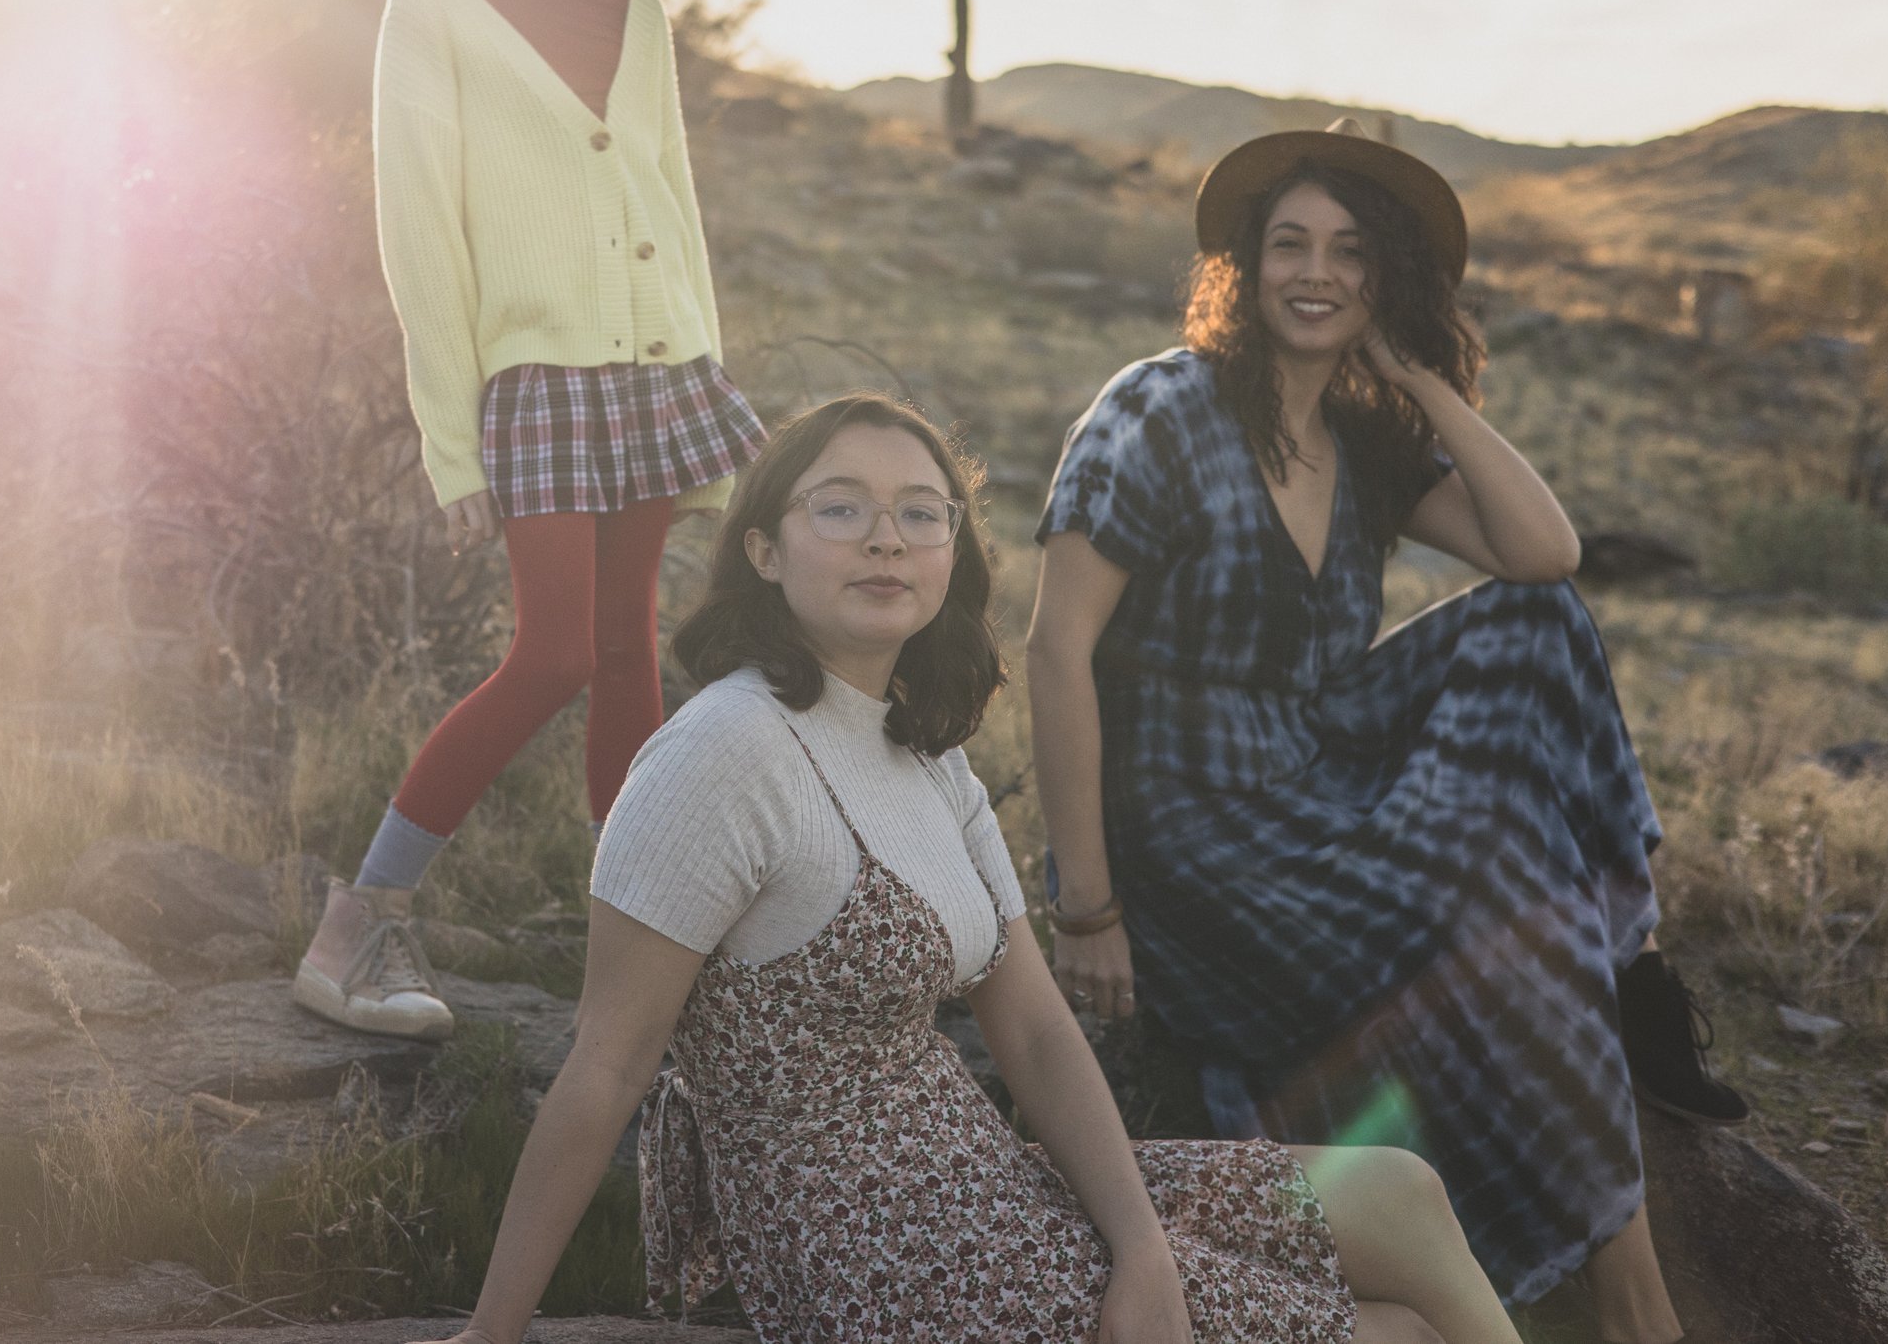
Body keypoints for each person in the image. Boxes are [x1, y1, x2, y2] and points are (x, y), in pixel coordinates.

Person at [411, 394, 1525, 1344]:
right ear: (764, 546)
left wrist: (1142, 1247)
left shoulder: (923, 754)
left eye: (918, 513)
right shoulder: (721, 753)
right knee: (1397, 1336)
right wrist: (492, 1331)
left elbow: (1036, 1029)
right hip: (876, 1255)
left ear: (952, 549)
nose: (885, 539)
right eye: (840, 508)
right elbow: (605, 1063)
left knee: (1396, 1188)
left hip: (991, 1183)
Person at [1026, 121, 1746, 1344]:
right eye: (1289, 243)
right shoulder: (1156, 405)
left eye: (1351, 252)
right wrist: (1087, 903)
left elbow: (1543, 550)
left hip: (1320, 767)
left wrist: (1417, 376)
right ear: (1244, 267)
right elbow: (1054, 649)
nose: (1316, 272)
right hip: (1197, 820)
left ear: (1385, 277)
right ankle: (1639, 1311)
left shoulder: (1364, 435)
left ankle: (1629, 971)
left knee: (1534, 624)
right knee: (1503, 893)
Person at [296, 0, 764, 1040]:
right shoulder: (430, 4)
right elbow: (419, 228)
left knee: (629, 661)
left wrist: (701, 377)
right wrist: (456, 440)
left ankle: (643, 962)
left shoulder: (641, 14)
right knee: (552, 652)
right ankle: (361, 918)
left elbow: (673, 200)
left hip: (655, 370)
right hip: (536, 379)